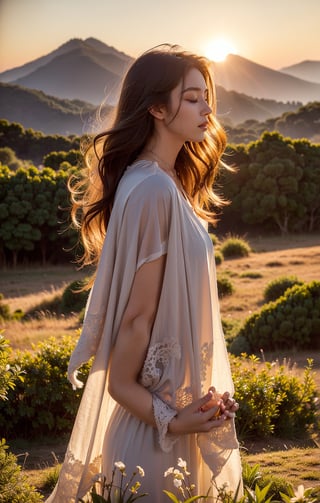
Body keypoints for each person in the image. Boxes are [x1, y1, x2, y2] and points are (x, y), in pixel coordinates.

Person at [46, 45, 243, 503]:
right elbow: (133, 334)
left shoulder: (165, 182)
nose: (207, 109)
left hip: (178, 422)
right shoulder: (153, 187)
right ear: (156, 107)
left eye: (206, 97)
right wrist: (174, 421)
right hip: (154, 443)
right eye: (192, 98)